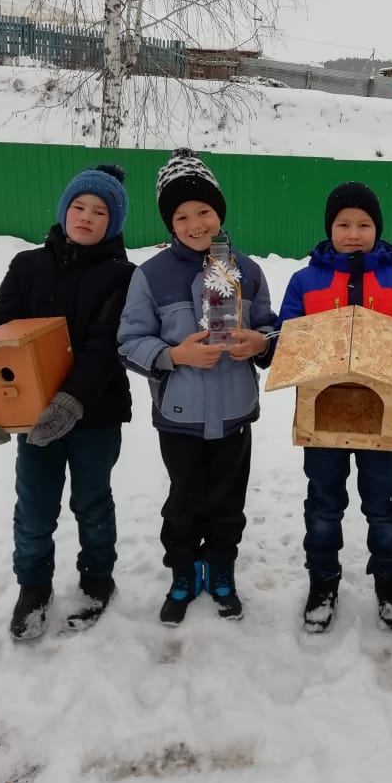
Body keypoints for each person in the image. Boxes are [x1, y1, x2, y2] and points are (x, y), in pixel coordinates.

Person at [0, 164, 134, 640]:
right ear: (64, 210)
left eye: (100, 211)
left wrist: (72, 401)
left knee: (92, 502)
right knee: (35, 506)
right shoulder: (27, 267)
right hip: (32, 413)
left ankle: (97, 579)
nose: (86, 217)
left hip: (96, 414)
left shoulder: (123, 277)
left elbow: (106, 347)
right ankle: (33, 587)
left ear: (114, 222)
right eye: (79, 206)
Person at [117, 148, 275, 626]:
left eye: (204, 211)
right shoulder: (151, 275)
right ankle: (183, 573)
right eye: (181, 216)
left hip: (233, 413)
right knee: (183, 504)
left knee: (228, 503)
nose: (195, 223)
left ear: (219, 212)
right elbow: (129, 342)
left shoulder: (246, 269)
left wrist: (260, 343)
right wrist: (175, 356)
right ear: (170, 223)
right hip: (180, 418)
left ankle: (221, 569)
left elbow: (270, 328)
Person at [274, 182, 392, 633]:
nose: (353, 233)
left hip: (382, 420)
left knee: (383, 505)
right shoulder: (305, 282)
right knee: (323, 505)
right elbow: (286, 340)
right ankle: (322, 582)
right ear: (330, 229)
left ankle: (389, 581)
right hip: (321, 420)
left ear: (377, 229)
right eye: (343, 224)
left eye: (364, 224)